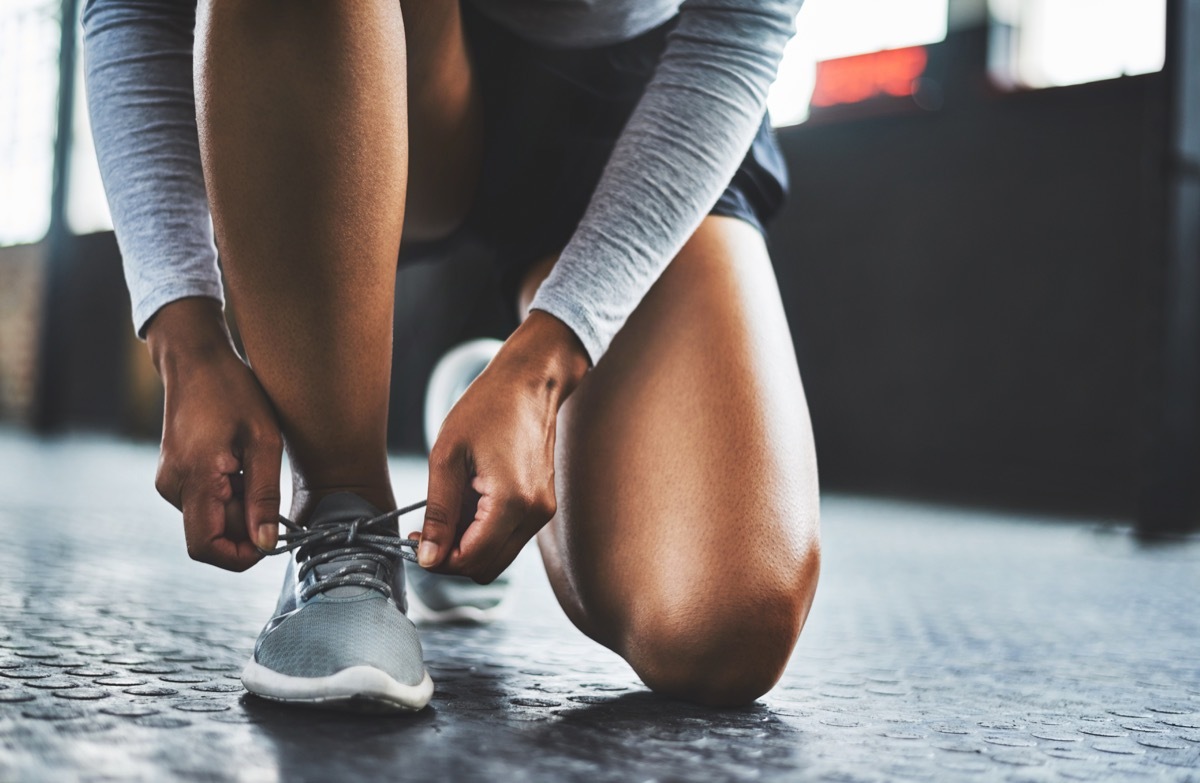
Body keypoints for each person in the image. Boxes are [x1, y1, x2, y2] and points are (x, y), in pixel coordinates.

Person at [82, 0, 821, 710]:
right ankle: (348, 515)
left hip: (636, 103)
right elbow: (132, 8)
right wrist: (185, 337)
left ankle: (500, 409)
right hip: (361, 57)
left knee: (722, 626)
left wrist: (547, 365)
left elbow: (743, 22)